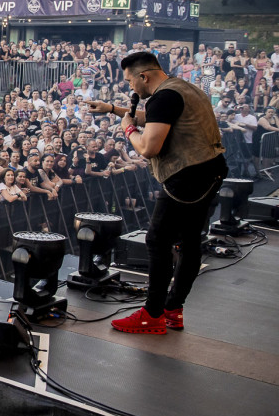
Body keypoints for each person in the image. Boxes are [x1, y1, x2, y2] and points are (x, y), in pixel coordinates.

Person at [92, 52, 228, 334]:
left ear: (144, 76)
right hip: (209, 170)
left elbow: (148, 147)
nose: (131, 87)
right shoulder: (182, 88)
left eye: (131, 81)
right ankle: (173, 309)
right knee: (190, 241)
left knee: (157, 240)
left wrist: (128, 129)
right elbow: (156, 119)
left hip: (187, 176)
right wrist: (113, 109)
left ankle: (152, 314)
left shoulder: (163, 97)